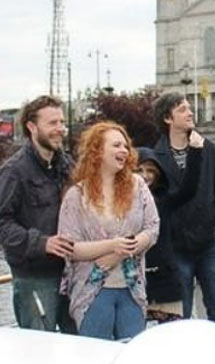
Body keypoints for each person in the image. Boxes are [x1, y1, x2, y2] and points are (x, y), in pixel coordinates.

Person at [58, 122, 159, 341]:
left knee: (131, 352)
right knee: (95, 354)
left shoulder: (138, 185)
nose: (123, 150)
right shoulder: (76, 195)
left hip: (132, 288)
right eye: (116, 145)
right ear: (97, 151)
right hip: (92, 291)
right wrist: (111, 246)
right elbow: (70, 247)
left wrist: (121, 252)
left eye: (125, 146)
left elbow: (152, 228)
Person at [0, 95, 77, 333]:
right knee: (39, 351)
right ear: (31, 126)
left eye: (62, 122)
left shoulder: (68, 165)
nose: (60, 129)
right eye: (52, 123)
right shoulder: (13, 171)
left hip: (71, 274)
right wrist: (42, 243)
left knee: (80, 345)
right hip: (34, 279)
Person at [152, 92, 215, 326]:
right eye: (182, 109)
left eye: (189, 108)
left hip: (209, 244)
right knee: (180, 316)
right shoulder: (156, 157)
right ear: (168, 119)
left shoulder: (209, 149)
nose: (190, 113)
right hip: (176, 249)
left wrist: (214, 212)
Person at [136, 129, 205, 324]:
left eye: (150, 170)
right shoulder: (122, 204)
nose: (145, 176)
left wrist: (196, 152)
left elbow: (189, 188)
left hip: (166, 278)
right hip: (137, 279)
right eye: (139, 170)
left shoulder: (164, 200)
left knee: (173, 334)